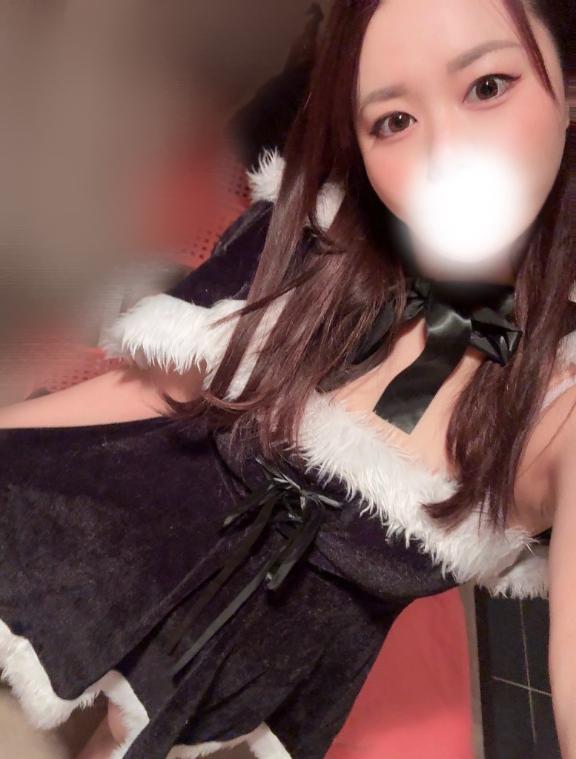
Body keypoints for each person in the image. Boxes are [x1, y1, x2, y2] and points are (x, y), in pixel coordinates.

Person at [0, 1, 574, 758]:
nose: (446, 151)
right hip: (122, 552)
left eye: (488, 86)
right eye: (394, 120)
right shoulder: (309, 241)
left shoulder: (557, 411)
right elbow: (157, 390)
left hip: (247, 688)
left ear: (567, 88)